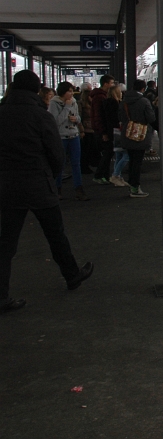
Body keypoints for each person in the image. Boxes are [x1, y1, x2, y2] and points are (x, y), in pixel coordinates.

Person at [0, 70, 94, 315]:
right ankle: (72, 276)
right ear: (36, 90)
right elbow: (56, 154)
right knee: (55, 234)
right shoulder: (40, 116)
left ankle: (1, 296)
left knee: (6, 243)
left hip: (7, 187)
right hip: (38, 185)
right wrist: (50, 176)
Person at [49, 82, 89, 201]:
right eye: (69, 91)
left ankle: (79, 188)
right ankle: (57, 188)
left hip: (74, 135)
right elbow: (55, 121)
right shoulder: (54, 103)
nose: (72, 94)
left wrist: (76, 119)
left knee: (76, 163)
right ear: (63, 92)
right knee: (60, 164)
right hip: (61, 136)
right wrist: (66, 108)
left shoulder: (74, 102)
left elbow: (78, 117)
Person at [120, 79, 157, 198]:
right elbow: (151, 118)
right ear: (143, 89)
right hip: (140, 134)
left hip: (128, 133)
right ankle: (135, 188)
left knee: (132, 161)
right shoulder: (144, 101)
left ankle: (132, 185)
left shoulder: (124, 100)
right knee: (137, 162)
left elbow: (120, 116)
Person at [89, 75, 116, 183]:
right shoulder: (100, 97)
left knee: (107, 153)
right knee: (107, 153)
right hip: (101, 130)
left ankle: (105, 176)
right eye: (112, 83)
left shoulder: (101, 96)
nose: (113, 85)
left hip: (101, 129)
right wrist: (103, 132)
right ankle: (99, 175)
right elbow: (98, 116)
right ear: (106, 84)